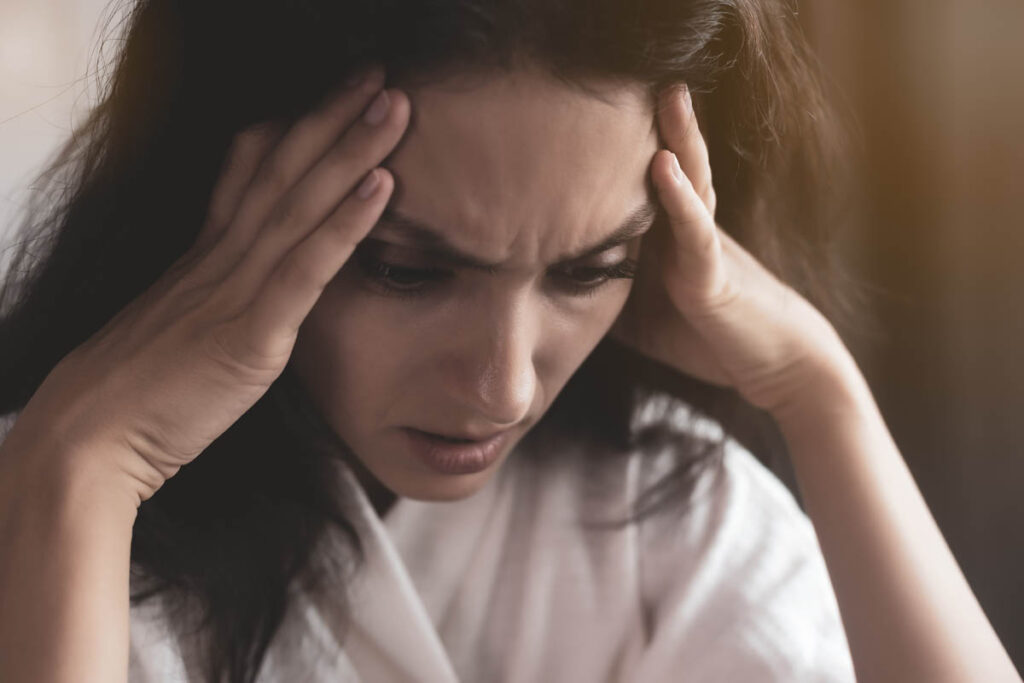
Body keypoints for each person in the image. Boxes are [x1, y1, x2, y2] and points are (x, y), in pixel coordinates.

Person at [0, 0, 1019, 681]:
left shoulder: (667, 516)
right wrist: (81, 463)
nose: (500, 384)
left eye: (588, 269)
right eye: (407, 270)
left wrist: (819, 390)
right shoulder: (57, 509)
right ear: (226, 200)